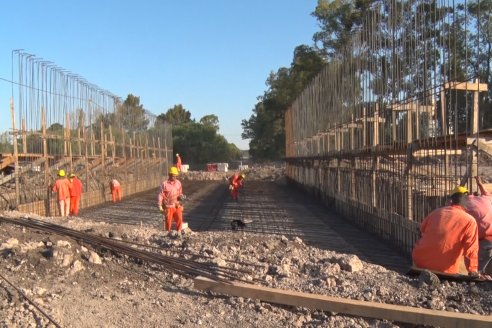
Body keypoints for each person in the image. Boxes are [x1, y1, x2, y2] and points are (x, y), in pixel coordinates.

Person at [412, 185, 479, 275]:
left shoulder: (436, 212)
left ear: (451, 200)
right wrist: (473, 270)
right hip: (444, 268)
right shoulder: (470, 221)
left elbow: (422, 230)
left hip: (419, 262)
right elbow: (471, 249)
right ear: (467, 202)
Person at [463, 176, 492, 274]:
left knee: (478, 272)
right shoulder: (485, 198)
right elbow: (486, 193)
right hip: (489, 236)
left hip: (484, 238)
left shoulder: (465, 205)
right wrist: (480, 184)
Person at [158, 166, 184, 232]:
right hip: (168, 207)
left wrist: (181, 197)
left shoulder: (178, 183)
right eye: (173, 176)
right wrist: (160, 206)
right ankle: (168, 234)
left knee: (179, 219)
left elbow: (180, 192)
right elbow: (160, 195)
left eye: (175, 176)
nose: (174, 177)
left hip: (177, 205)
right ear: (169, 175)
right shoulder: (164, 184)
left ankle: (179, 233)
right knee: (168, 222)